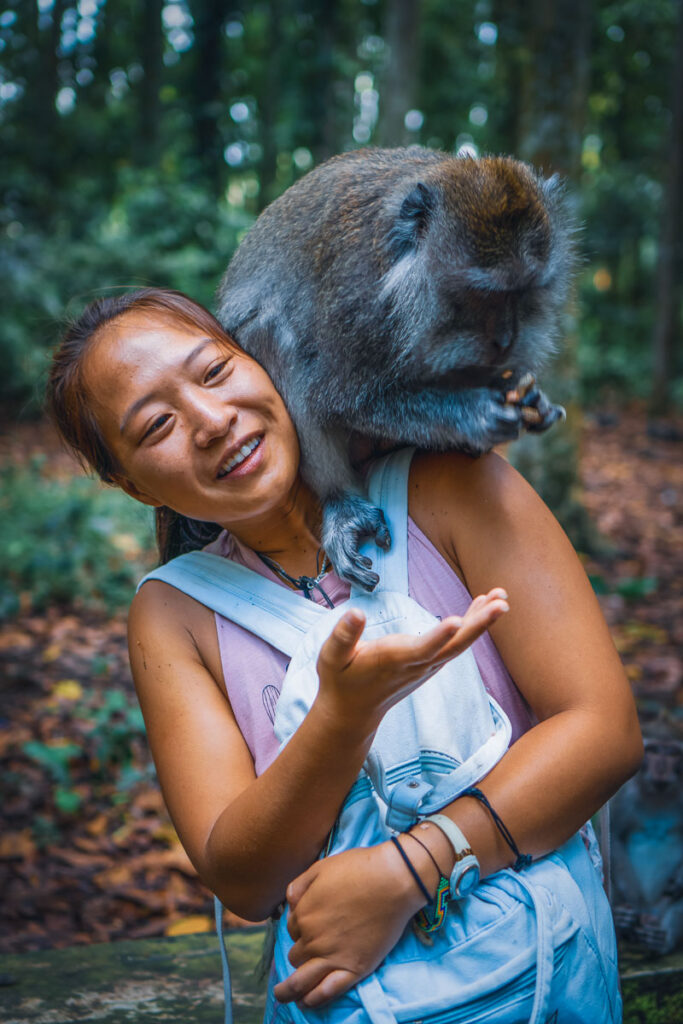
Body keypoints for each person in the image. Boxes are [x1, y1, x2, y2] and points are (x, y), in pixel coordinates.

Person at [47, 287, 642, 1019]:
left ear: (263, 360)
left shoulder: (448, 486)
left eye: (213, 372)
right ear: (130, 482)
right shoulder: (176, 613)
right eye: (157, 424)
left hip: (548, 980)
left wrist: (412, 870)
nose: (210, 422)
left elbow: (603, 730)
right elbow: (244, 877)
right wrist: (342, 714)